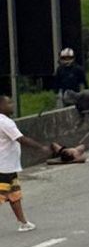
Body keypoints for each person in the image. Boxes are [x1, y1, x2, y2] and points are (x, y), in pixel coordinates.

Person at [0, 95, 50, 231]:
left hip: (8, 166)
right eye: (8, 103)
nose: (12, 105)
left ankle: (23, 222)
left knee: (14, 195)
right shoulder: (5, 122)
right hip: (4, 167)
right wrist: (41, 147)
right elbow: (21, 139)